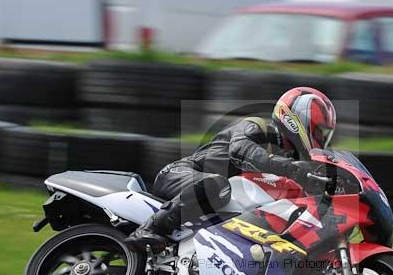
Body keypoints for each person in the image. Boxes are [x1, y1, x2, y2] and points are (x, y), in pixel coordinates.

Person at [126, 86, 337, 250]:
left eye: (324, 137)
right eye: (319, 133)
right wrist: (291, 168)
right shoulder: (258, 127)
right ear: (298, 120)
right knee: (217, 185)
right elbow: (240, 151)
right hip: (180, 174)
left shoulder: (289, 159)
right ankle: (151, 227)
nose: (320, 140)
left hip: (218, 203)